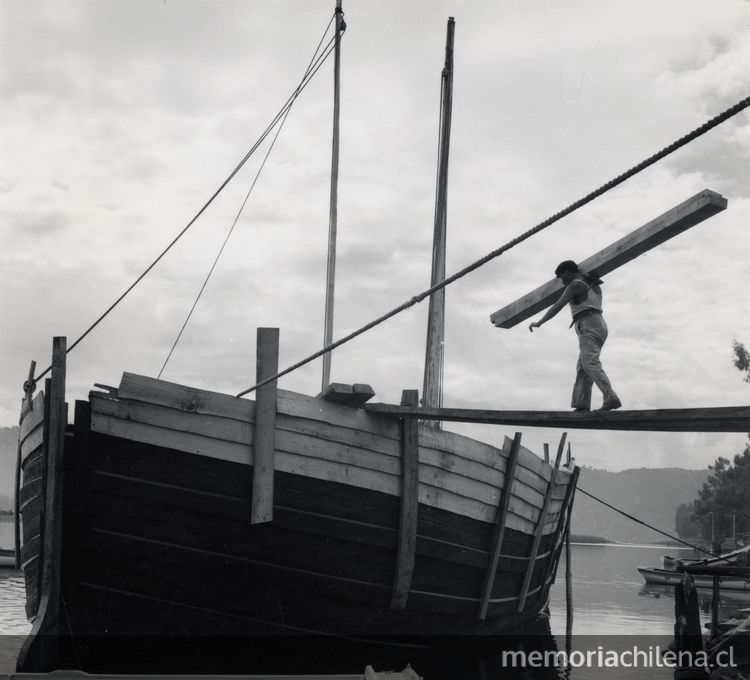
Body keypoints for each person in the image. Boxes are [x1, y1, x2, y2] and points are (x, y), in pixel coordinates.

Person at [528, 260, 621, 412]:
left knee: (590, 363)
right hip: (598, 324)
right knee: (583, 366)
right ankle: (582, 404)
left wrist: (540, 322)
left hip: (588, 323)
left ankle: (610, 397)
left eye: (562, 277)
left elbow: (558, 305)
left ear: (567, 273)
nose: (562, 281)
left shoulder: (575, 285)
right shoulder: (593, 285)